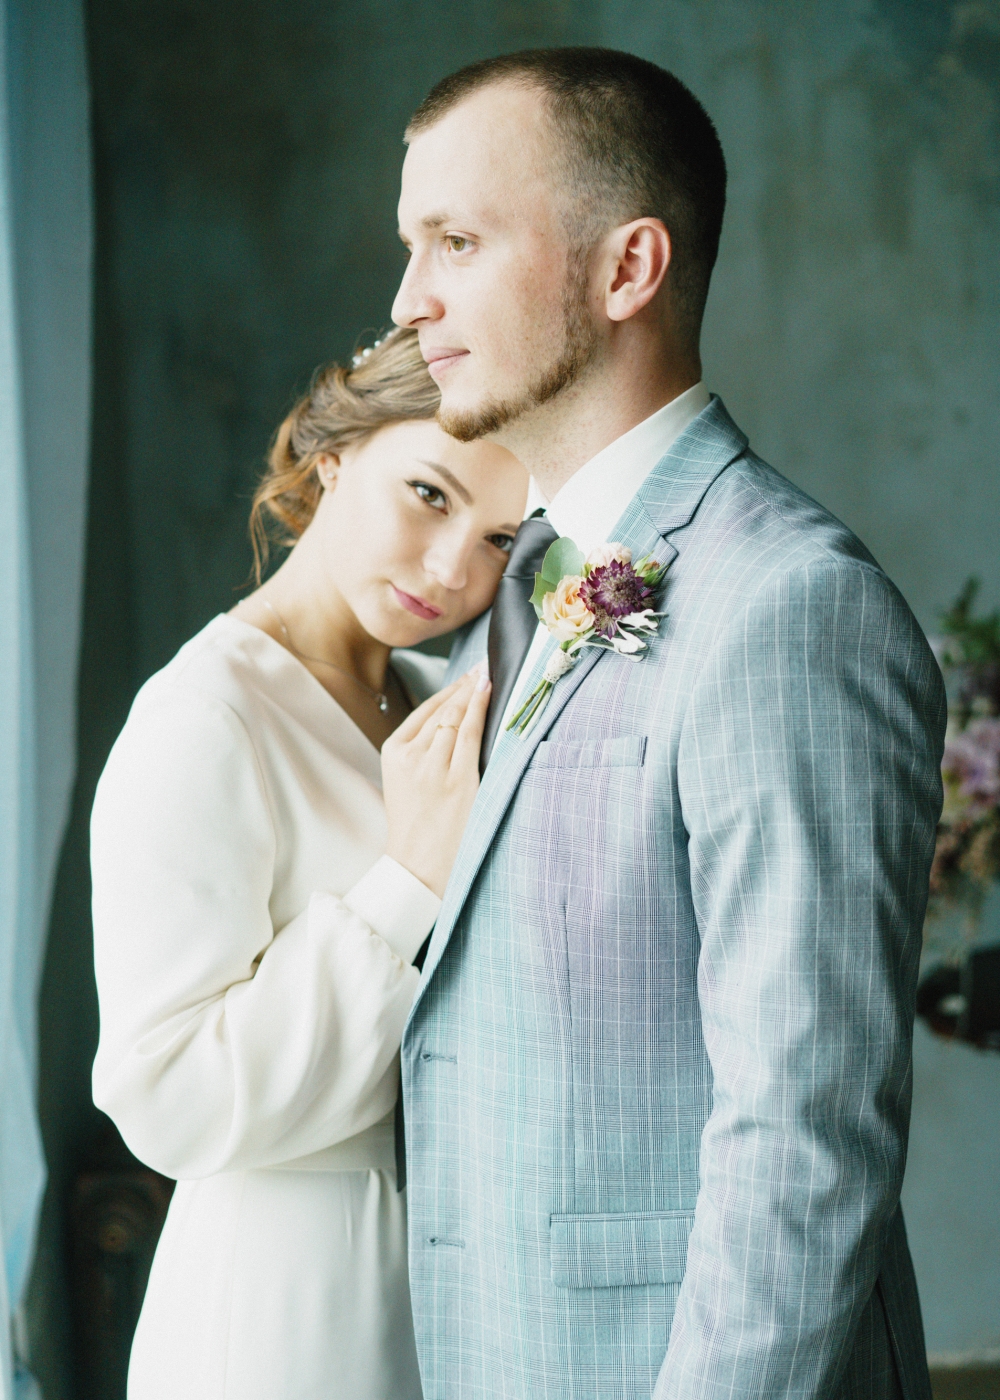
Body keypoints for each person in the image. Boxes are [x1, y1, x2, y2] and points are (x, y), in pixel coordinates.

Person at [392, 48, 946, 1400]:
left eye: (457, 243)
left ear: (628, 268)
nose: (408, 302)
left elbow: (803, 1135)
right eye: (411, 249)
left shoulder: (790, 604)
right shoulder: (528, 580)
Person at [90, 325, 527, 1400]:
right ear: (335, 454)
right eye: (428, 494)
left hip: (447, 1283)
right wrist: (405, 881)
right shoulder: (206, 715)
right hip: (281, 1301)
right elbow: (164, 1095)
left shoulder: (429, 696)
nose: (452, 569)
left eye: (501, 539)